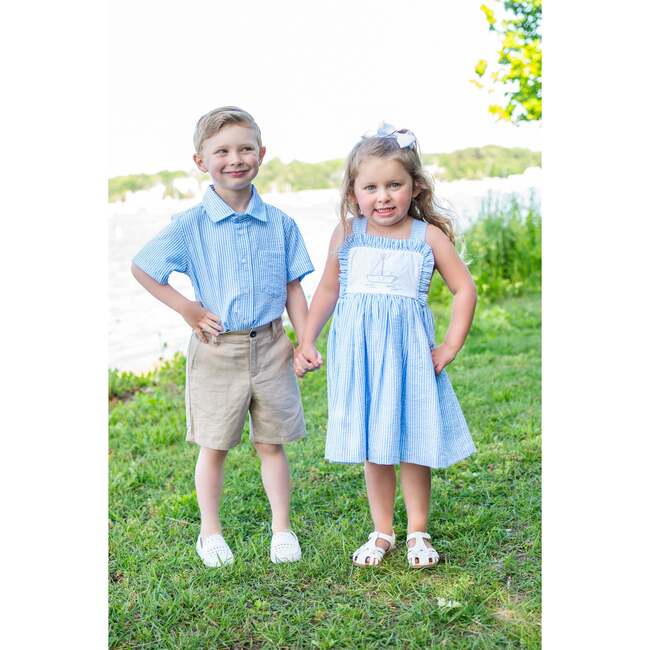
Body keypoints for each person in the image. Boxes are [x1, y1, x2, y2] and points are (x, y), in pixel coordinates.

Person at [131, 106, 314, 567]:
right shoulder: (191, 225)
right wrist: (189, 310)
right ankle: (209, 532)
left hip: (272, 345)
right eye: (222, 151)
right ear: (201, 161)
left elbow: (294, 286)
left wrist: (305, 339)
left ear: (261, 154)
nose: (235, 159)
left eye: (245, 149)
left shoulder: (281, 224)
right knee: (214, 445)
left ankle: (282, 529)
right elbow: (144, 268)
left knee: (271, 443)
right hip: (218, 351)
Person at [294, 124, 476, 568]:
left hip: (410, 360)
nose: (384, 196)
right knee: (375, 446)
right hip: (360, 359)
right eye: (371, 186)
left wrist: (449, 346)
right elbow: (328, 292)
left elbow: (464, 289)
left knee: (412, 442)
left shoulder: (426, 237)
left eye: (394, 184)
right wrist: (306, 338)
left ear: (415, 187)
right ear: (353, 192)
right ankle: (382, 532)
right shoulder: (347, 234)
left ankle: (418, 532)